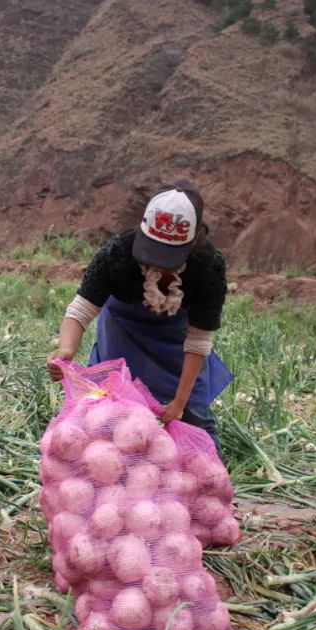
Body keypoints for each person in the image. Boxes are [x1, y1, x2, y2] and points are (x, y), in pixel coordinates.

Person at [47, 179, 232, 454]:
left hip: (177, 339)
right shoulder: (119, 252)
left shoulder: (208, 267)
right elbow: (81, 308)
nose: (157, 262)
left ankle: (207, 481)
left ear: (192, 243)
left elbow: (199, 340)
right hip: (123, 329)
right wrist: (67, 348)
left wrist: (180, 402)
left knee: (196, 416)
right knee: (109, 410)